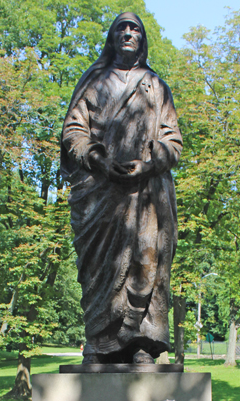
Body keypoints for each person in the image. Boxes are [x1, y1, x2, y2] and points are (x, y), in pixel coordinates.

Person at [61, 13, 182, 365]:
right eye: (121, 28)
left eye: (135, 30)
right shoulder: (93, 82)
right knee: (99, 270)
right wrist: (96, 158)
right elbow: (73, 131)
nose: (128, 34)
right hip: (101, 194)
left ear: (143, 40)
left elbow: (172, 140)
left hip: (146, 195)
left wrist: (149, 163)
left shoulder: (156, 87)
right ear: (111, 38)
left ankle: (141, 344)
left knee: (147, 259)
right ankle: (99, 344)